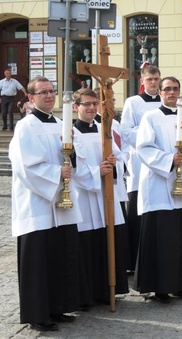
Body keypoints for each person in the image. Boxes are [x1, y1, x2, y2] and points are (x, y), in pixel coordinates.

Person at [9, 76, 82, 331]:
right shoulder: (25, 127)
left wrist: (72, 154)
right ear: (31, 98)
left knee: (58, 256)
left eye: (52, 91)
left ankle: (57, 307)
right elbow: (25, 166)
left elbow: (72, 159)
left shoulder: (62, 124)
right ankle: (37, 314)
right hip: (37, 204)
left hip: (60, 205)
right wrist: (55, 175)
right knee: (38, 261)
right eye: (43, 93)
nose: (49, 96)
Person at [133, 76, 182, 303]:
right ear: (160, 92)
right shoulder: (150, 117)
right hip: (159, 184)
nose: (172, 93)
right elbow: (143, 148)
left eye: (175, 89)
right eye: (167, 89)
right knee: (162, 238)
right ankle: (160, 288)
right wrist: (168, 160)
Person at [71, 89, 129, 309]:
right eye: (87, 104)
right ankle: (85, 294)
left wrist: (113, 163)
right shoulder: (70, 133)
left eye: (95, 104)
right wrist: (97, 172)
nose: (92, 108)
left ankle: (107, 290)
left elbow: (120, 157)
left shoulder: (104, 130)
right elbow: (72, 166)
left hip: (105, 196)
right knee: (86, 246)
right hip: (84, 197)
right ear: (76, 107)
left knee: (107, 242)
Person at [120, 65, 161, 270]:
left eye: (156, 79)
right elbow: (126, 130)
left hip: (163, 161)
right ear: (142, 81)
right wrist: (149, 138)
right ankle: (134, 259)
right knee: (136, 210)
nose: (154, 82)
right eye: (150, 79)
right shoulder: (133, 102)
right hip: (140, 162)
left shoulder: (165, 103)